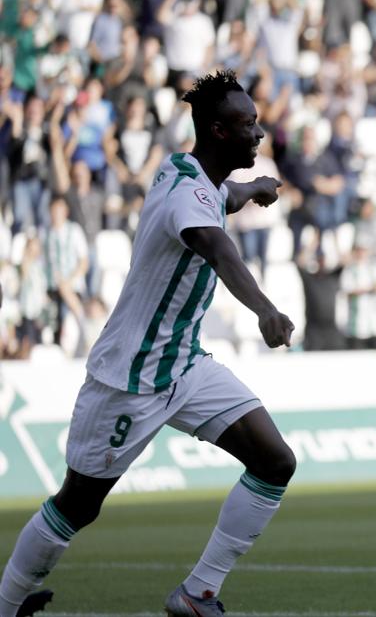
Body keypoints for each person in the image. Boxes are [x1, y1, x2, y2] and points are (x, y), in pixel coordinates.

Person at [0, 70, 297, 617]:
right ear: (216, 130)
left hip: (185, 366)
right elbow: (218, 250)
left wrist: (251, 190)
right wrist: (266, 310)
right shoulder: (188, 195)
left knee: (275, 461)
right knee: (77, 505)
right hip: (129, 379)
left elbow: (217, 197)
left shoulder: (183, 169)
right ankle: (5, 602)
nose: (258, 134)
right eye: (247, 124)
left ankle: (196, 593)